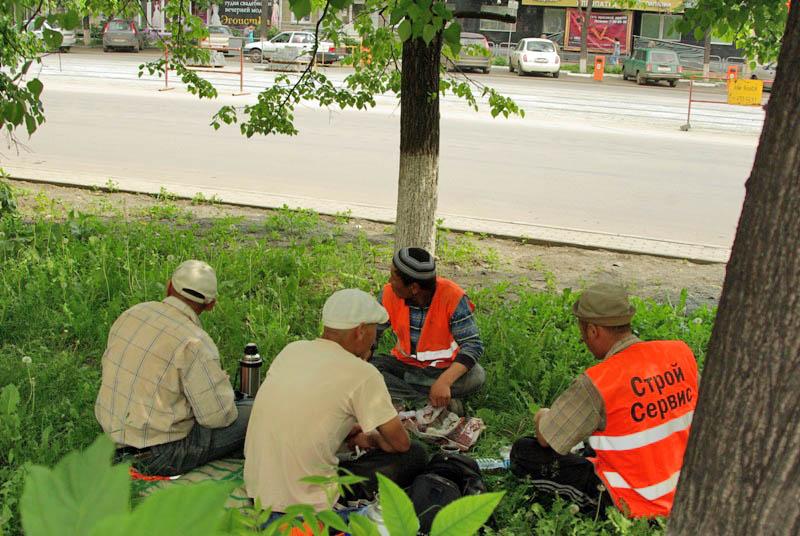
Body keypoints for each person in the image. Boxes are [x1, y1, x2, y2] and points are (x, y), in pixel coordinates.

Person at [510, 283, 698, 518]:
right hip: (686, 486)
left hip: (634, 503)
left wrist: (541, 415)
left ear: (592, 330)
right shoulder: (679, 353)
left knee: (524, 452)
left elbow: (547, 438)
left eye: (582, 331)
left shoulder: (600, 381)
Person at [244, 289, 427, 520]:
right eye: (374, 332)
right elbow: (399, 443)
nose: (375, 339)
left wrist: (345, 432)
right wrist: (370, 439)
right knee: (416, 455)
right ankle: (350, 501)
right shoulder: (363, 374)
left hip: (259, 492)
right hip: (305, 505)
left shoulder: (293, 350)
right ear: (361, 330)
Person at [95, 260, 251, 476]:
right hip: (159, 456)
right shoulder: (194, 342)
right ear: (210, 305)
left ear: (169, 286)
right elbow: (218, 417)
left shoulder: (131, 314)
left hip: (110, 440)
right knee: (255, 412)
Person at [371, 247, 486, 415]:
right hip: (405, 366)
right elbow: (373, 331)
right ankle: (425, 402)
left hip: (444, 369)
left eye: (393, 276)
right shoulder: (389, 293)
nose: (389, 280)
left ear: (414, 288)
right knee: (368, 368)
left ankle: (408, 394)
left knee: (477, 376)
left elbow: (473, 345)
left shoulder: (452, 297)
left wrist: (445, 382)